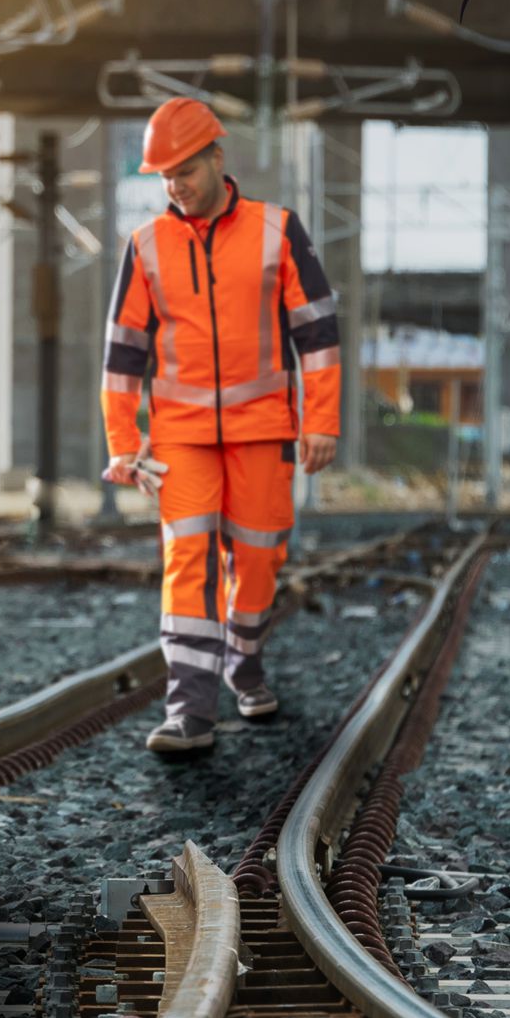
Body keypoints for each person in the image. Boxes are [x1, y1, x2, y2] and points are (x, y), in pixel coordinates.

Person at [100, 98, 341, 755]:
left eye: (185, 170)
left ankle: (245, 655)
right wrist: (125, 444)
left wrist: (321, 421)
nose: (175, 185)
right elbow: (122, 353)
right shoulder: (146, 246)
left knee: (259, 559)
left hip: (264, 429)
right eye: (164, 175)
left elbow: (317, 335)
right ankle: (191, 710)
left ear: (216, 158)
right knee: (188, 562)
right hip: (179, 439)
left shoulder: (276, 230)